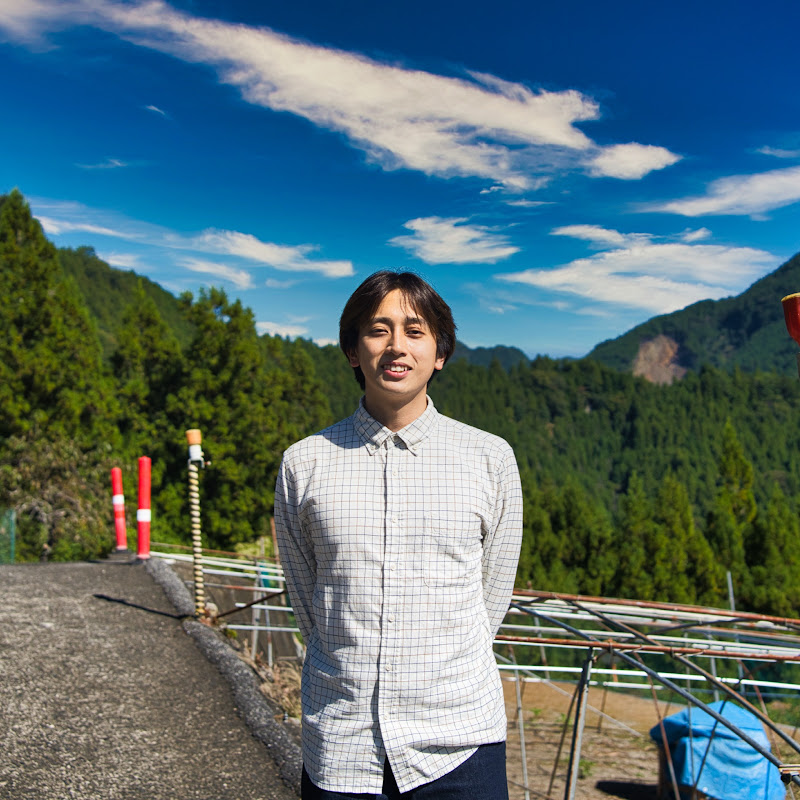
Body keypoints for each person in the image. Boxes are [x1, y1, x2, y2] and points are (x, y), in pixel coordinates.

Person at [274, 271, 523, 799]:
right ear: (352, 350)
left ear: (440, 353)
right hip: (342, 742)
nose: (395, 346)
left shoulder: (489, 458)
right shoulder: (305, 462)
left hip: (459, 743)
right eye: (377, 329)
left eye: (415, 330)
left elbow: (492, 597)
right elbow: (307, 600)